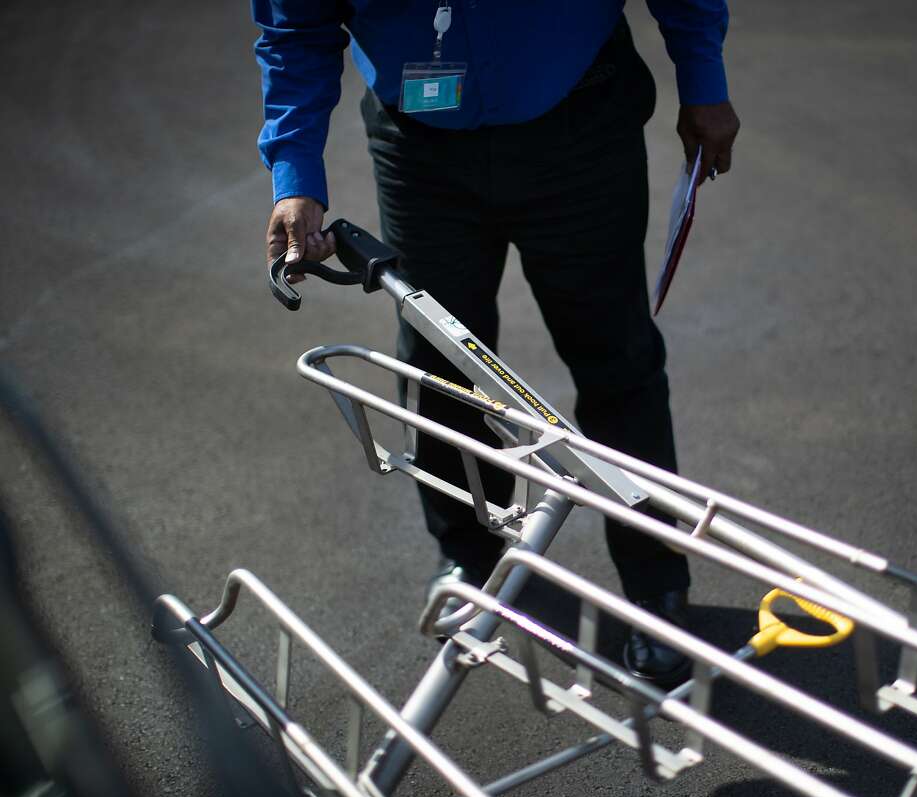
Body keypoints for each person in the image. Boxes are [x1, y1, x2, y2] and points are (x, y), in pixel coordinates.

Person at [252, 1, 739, 686]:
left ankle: (656, 587)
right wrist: (294, 173)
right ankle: (473, 561)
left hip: (579, 122)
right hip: (421, 143)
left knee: (616, 357)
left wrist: (703, 78)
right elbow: (294, 25)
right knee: (440, 363)